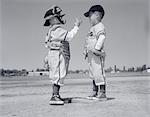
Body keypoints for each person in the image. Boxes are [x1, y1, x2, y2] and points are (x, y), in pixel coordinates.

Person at [43, 5, 81, 105]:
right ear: (53, 19)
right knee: (59, 75)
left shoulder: (51, 30)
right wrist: (76, 26)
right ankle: (55, 96)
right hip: (57, 54)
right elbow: (69, 36)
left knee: (56, 75)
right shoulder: (57, 30)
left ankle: (56, 95)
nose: (60, 17)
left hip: (53, 53)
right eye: (58, 15)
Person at [84, 5, 107, 100]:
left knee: (98, 73)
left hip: (97, 54)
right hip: (90, 54)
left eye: (90, 15)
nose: (89, 18)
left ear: (97, 15)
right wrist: (85, 50)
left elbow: (102, 37)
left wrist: (97, 49)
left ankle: (102, 93)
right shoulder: (92, 28)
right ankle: (95, 91)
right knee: (92, 73)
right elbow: (88, 41)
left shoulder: (99, 26)